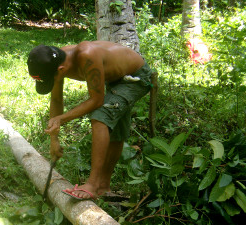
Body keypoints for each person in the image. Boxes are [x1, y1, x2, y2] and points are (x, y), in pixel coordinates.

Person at [26, 41, 155, 200]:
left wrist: (62, 119)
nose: (52, 84)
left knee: (101, 116)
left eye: (50, 81)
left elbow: (96, 100)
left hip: (135, 76)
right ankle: (104, 187)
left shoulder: (86, 56)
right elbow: (57, 101)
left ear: (61, 70)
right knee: (114, 124)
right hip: (115, 77)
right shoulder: (57, 61)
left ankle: (93, 185)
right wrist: (54, 139)